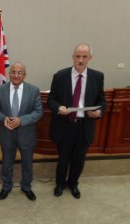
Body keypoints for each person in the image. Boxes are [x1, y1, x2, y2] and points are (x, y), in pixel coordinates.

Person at [47, 43, 106, 199]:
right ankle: (60, 184)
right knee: (63, 158)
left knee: (79, 159)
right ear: (73, 57)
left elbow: (101, 100)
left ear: (90, 58)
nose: (80, 60)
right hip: (65, 125)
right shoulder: (60, 76)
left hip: (84, 126)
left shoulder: (97, 76)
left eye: (84, 57)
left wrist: (99, 111)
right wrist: (59, 107)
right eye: (77, 56)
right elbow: (51, 99)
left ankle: (73, 184)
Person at [0, 62, 43, 201]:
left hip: (26, 134)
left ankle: (26, 187)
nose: (16, 75)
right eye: (13, 72)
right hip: (7, 134)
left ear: (25, 75)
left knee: (27, 164)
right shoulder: (0, 90)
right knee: (7, 163)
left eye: (20, 72)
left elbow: (38, 112)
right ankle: (6, 186)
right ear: (9, 74)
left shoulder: (33, 90)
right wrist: (4, 119)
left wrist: (21, 120)